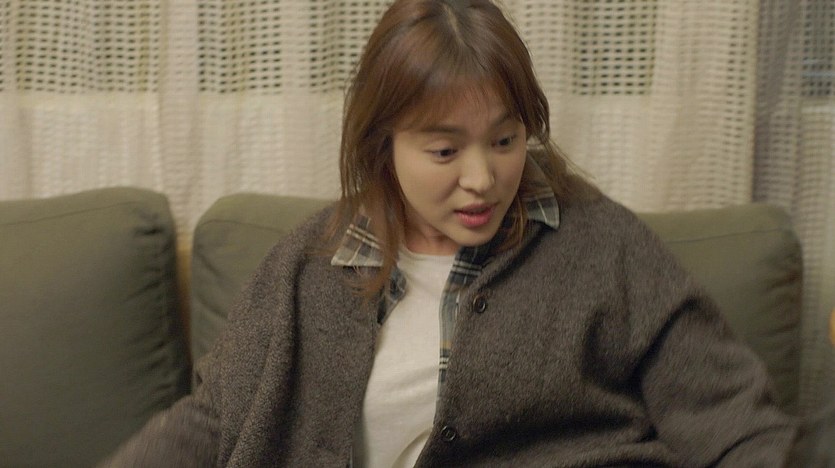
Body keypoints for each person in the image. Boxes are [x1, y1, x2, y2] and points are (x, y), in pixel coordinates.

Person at [101, 0, 797, 466]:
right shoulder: (308, 266)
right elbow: (216, 420)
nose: (482, 178)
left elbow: (740, 427)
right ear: (383, 144)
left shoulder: (604, 246)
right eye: (444, 151)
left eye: (505, 140)